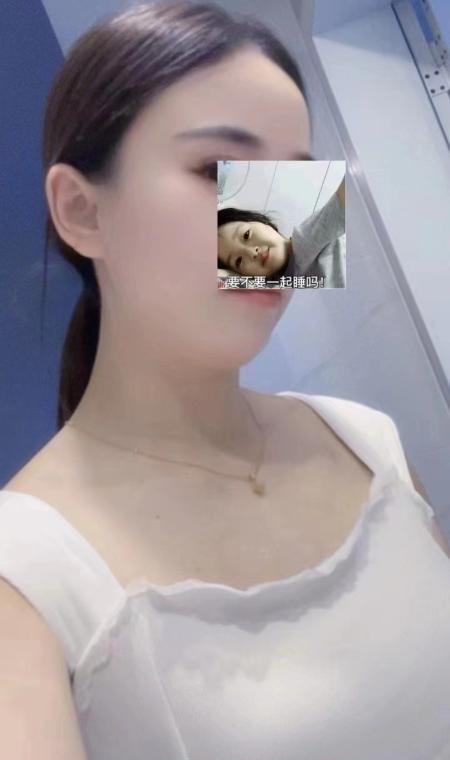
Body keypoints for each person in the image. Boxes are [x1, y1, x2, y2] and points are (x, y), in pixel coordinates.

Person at [1, 2, 450, 759]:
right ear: (82, 211)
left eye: (296, 182)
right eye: (217, 171)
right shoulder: (24, 568)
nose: (270, 234)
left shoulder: (365, 438)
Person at [218, 177, 346, 287]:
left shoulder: (305, 241)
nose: (251, 252)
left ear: (261, 221)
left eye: (246, 235)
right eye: (238, 261)